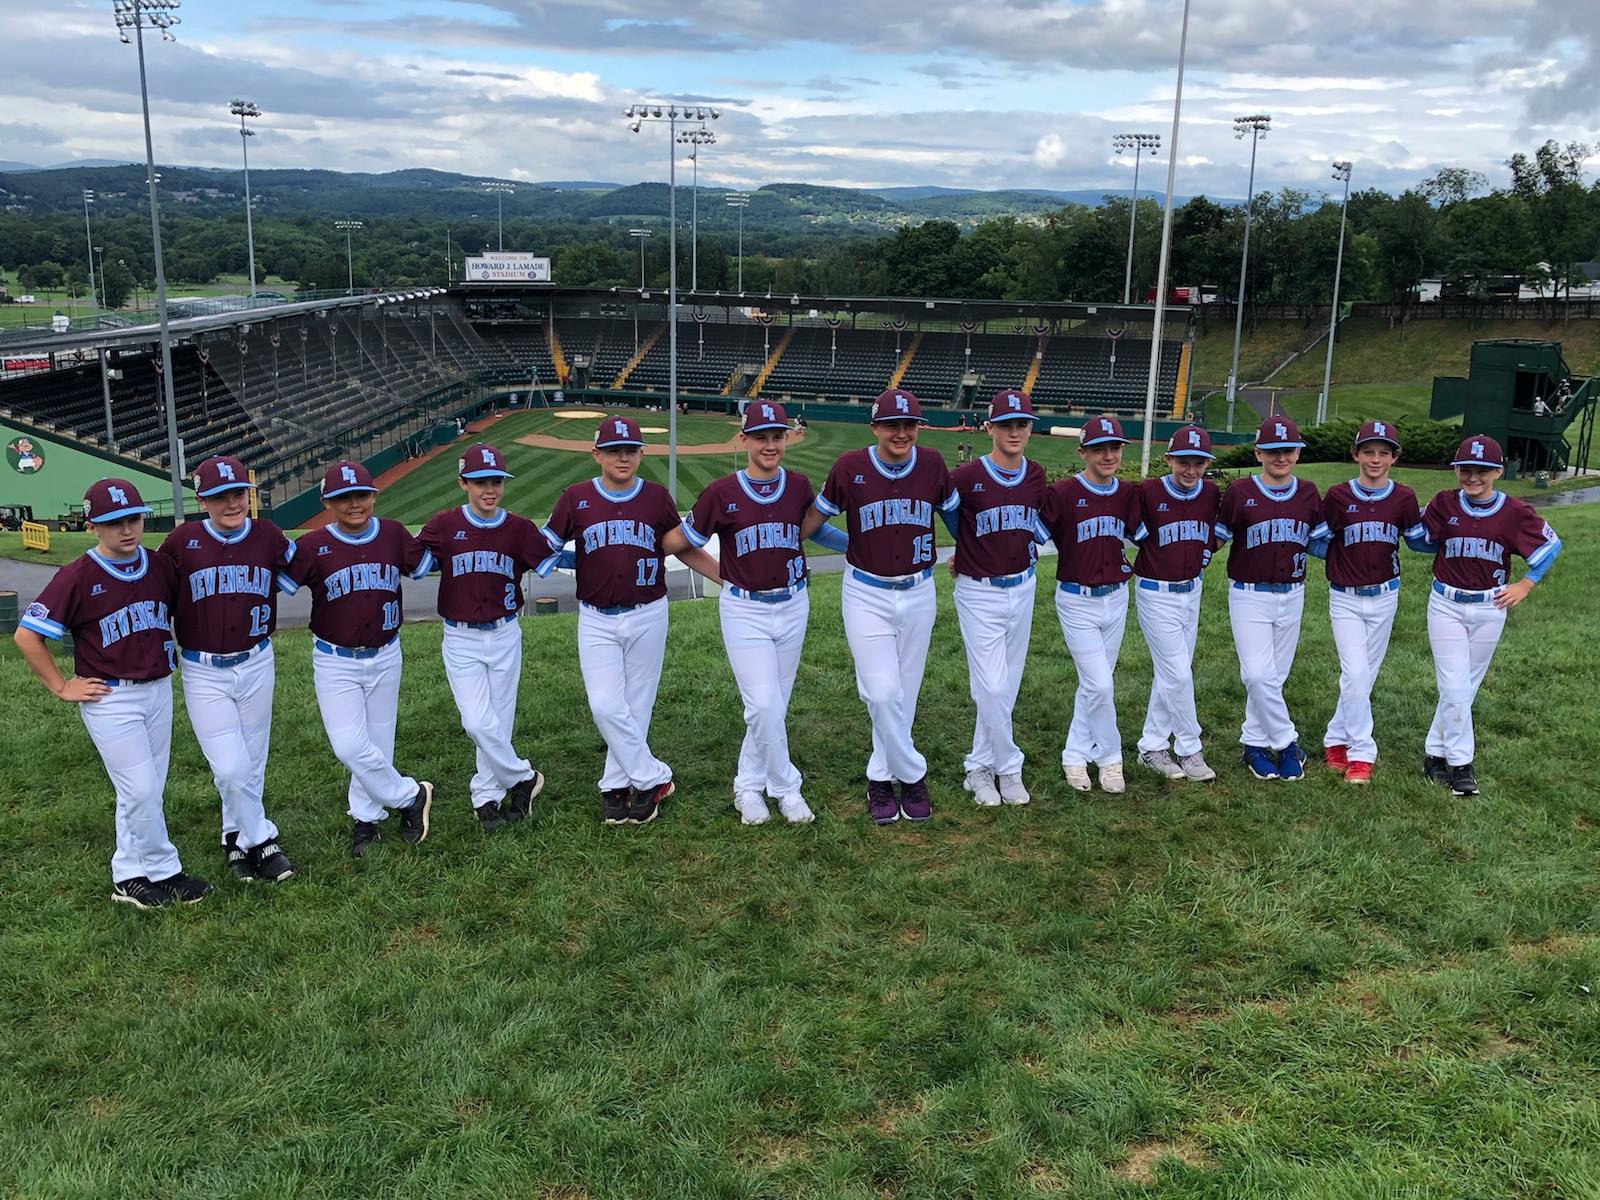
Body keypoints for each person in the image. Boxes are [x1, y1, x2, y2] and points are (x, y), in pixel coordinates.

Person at [14, 479, 211, 908]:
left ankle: (129, 874)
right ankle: (163, 868)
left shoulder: (159, 566)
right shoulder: (77, 576)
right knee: (140, 789)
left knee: (142, 789)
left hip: (158, 688)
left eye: (133, 519)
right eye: (113, 522)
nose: (127, 529)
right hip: (111, 697)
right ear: (92, 527)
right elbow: (28, 636)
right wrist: (62, 686)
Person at [534, 416, 721, 826]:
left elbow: (680, 548)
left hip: (648, 611)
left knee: (637, 705)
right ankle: (654, 777)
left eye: (630, 450)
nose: (623, 457)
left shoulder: (655, 498)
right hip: (596, 617)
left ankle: (615, 786)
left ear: (641, 453)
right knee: (605, 704)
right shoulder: (576, 497)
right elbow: (543, 547)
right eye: (614, 450)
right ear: (597, 454)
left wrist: (725, 576)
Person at [680, 401, 847, 825]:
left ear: (787, 438)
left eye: (777, 436)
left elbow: (812, 530)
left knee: (774, 704)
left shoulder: (798, 486)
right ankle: (786, 788)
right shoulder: (721, 492)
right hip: (745, 611)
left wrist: (859, 545)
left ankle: (750, 784)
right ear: (744, 440)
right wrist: (724, 577)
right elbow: (684, 544)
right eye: (761, 437)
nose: (770, 444)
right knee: (764, 704)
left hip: (794, 603)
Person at [809, 388, 959, 824]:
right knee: (881, 691)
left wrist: (966, 553)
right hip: (866, 592)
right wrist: (850, 542)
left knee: (903, 695)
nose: (901, 432)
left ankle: (880, 777)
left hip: (919, 590)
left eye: (909, 424)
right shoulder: (850, 467)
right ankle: (911, 777)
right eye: (892, 424)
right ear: (875, 427)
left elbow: (954, 519)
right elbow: (814, 525)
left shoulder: (931, 464)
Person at [280, 461, 436, 859]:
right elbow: (275, 581)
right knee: (350, 744)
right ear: (326, 502)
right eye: (343, 498)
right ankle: (409, 796)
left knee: (378, 743)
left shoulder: (393, 533)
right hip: (336, 658)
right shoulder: (312, 545)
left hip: (386, 653)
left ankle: (366, 821)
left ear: (374, 496)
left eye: (362, 495)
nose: (354, 504)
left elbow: (425, 566)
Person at [158, 455, 296, 883]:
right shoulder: (182, 542)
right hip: (203, 668)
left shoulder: (268, 536)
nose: (232, 503)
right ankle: (263, 839)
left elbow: (305, 570)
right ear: (203, 500)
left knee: (252, 760)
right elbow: (152, 593)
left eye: (238, 493)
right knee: (230, 767)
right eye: (220, 496)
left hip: (257, 660)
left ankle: (234, 840)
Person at [1419, 435, 1561, 796]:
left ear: (1498, 470)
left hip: (1490, 606)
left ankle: (1434, 753)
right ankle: (1461, 764)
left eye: (1482, 470)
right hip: (1446, 604)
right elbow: (1419, 536)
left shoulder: (1513, 511)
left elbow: (1550, 545)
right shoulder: (1443, 502)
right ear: (1456, 471)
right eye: (1465, 469)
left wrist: (1526, 585)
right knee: (1453, 685)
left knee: (1464, 687)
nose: (1472, 477)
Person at [418, 443, 548, 835]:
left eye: (495, 482)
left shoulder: (519, 528)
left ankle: (485, 797)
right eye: (479, 482)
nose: (488, 489)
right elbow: (413, 562)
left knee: (498, 720)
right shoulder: (443, 525)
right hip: (461, 637)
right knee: (477, 720)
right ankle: (523, 776)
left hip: (506, 631)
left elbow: (552, 560)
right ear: (463, 483)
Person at [1314, 421, 1428, 784]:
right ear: (1355, 454)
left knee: (1363, 676)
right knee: (1356, 673)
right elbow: (1316, 540)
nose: (1375, 459)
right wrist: (1338, 561)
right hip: (1345, 597)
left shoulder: (1404, 497)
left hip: (1385, 594)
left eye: (1383, 452)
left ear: (1394, 457)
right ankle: (1362, 753)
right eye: (1368, 451)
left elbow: (1417, 539)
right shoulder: (1337, 495)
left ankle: (1335, 737)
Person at [949, 389, 1047, 806]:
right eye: (1005, 424)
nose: (1014, 431)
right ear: (989, 428)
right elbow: (954, 520)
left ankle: (979, 766)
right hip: (978, 591)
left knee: (1004, 687)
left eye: (1021, 424)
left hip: (1023, 586)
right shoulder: (966, 476)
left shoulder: (1037, 474)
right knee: (988, 687)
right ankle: (1008, 767)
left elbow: (1032, 527)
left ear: (1029, 428)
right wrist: (966, 551)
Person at [1213, 416, 1322, 781]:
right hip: (1249, 593)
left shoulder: (1307, 492)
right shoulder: (1240, 492)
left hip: (1293, 593)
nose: (1281, 457)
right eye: (1273, 450)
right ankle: (1288, 743)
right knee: (1258, 675)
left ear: (1298, 453)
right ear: (1259, 452)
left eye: (1288, 450)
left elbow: (1320, 541)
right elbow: (1216, 537)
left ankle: (1254, 744)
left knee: (1274, 678)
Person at [1038, 415, 1140, 794]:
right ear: (1083, 452)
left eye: (1114, 448)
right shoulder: (1063, 493)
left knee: (1093, 685)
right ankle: (1111, 758)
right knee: (1100, 683)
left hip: (1116, 596)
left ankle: (1075, 754)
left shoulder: (1127, 494)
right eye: (1099, 449)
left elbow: (1147, 535)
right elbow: (1029, 539)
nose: (1109, 455)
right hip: (1076, 599)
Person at [1129, 424, 1221, 783]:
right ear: (1169, 459)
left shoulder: (1210, 493)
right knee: (1178, 673)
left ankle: (1151, 746)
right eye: (1184, 461)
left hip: (1192, 591)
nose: (1191, 470)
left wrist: (1205, 556)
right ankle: (1190, 748)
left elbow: (1215, 536)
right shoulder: (1148, 492)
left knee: (1171, 674)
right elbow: (1128, 529)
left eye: (1199, 463)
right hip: (1156, 592)